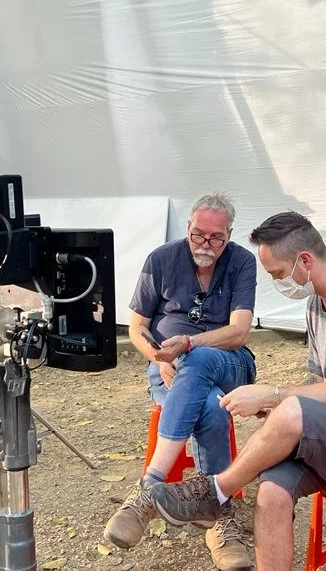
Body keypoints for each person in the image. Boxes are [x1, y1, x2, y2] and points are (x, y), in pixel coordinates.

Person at [147, 210, 326, 571]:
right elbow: (319, 385)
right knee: (272, 490)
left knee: (289, 409)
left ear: (304, 261)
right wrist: (275, 410)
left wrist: (273, 397)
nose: (278, 282)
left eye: (278, 273)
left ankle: (215, 492)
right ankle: (220, 496)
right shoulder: (316, 304)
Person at [103, 193, 257, 571]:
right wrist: (157, 357)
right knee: (209, 406)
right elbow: (137, 328)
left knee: (201, 359)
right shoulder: (161, 259)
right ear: (188, 228)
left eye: (215, 238)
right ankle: (220, 517)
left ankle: (146, 491)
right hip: (167, 365)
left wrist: (190, 344)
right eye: (198, 235)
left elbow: (238, 332)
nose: (205, 245)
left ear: (229, 235)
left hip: (229, 363)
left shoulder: (242, 262)